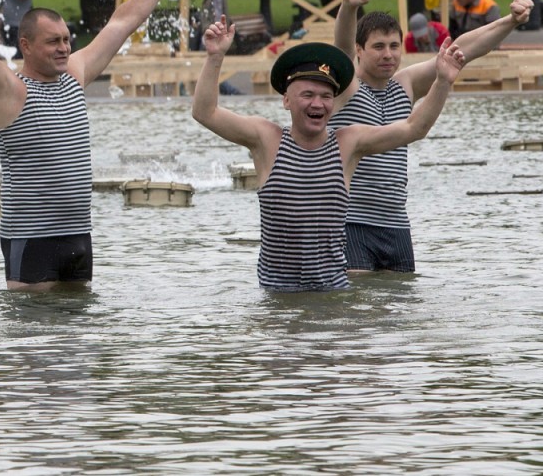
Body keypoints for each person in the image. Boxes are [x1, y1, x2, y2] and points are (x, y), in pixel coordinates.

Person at [0, 0, 192, 292]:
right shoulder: (7, 91)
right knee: (33, 339)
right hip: (31, 238)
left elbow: (122, 22)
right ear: (25, 46)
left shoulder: (74, 75)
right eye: (53, 42)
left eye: (66, 40)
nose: (64, 48)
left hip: (78, 234)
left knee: (78, 338)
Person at [192, 19, 466, 292]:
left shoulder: (349, 143)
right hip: (279, 299)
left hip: (333, 295)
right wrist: (215, 57)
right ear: (286, 99)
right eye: (307, 94)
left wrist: (442, 82)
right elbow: (205, 112)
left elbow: (413, 127)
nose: (317, 103)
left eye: (326, 96)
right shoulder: (266, 139)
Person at [332, 0, 533, 272]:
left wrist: (510, 21)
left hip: (396, 223)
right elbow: (340, 47)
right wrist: (349, 6)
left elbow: (463, 49)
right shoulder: (346, 86)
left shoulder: (406, 84)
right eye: (378, 47)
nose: (388, 54)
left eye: (393, 46)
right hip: (352, 221)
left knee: (400, 303)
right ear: (359, 50)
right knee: (357, 305)